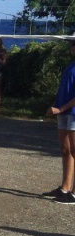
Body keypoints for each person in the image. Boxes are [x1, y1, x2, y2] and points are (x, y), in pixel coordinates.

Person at [46, 38, 75, 204]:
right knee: (66, 149)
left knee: (74, 150)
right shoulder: (71, 66)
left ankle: (74, 193)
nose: (72, 46)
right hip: (64, 111)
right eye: (72, 43)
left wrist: (61, 108)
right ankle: (65, 188)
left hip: (72, 112)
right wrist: (56, 106)